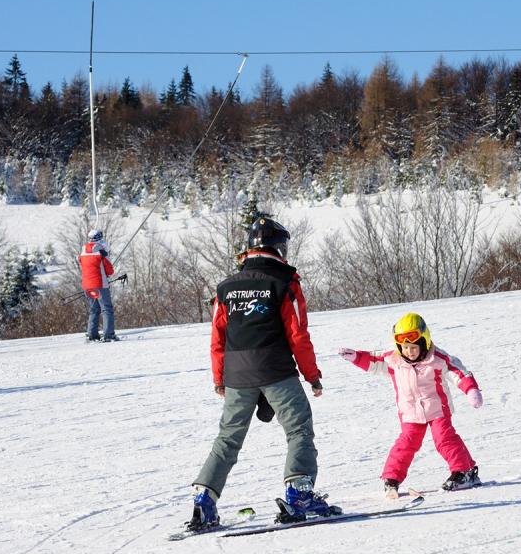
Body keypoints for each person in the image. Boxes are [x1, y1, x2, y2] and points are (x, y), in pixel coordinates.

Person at [188, 215, 328, 530]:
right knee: (299, 430)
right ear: (278, 248)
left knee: (228, 438)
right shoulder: (284, 283)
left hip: (237, 374)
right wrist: (312, 375)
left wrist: (219, 378)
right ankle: (299, 493)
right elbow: (298, 335)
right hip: (276, 369)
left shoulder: (226, 287)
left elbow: (217, 338)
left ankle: (205, 499)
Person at [338, 312, 483, 497]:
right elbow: (374, 361)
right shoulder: (393, 359)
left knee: (444, 439)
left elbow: (458, 372)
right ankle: (391, 478)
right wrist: (356, 357)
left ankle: (463, 472)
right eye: (405, 347)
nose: (409, 351)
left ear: (424, 341)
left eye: (414, 347)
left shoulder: (437, 358)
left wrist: (471, 390)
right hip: (410, 413)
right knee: (406, 444)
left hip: (438, 409)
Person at [79, 229, 119, 342]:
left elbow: (83, 265)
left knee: (94, 310)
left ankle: (92, 335)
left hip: (87, 286)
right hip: (100, 284)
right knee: (106, 309)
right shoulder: (101, 252)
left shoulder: (83, 251)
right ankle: (109, 335)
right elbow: (110, 271)